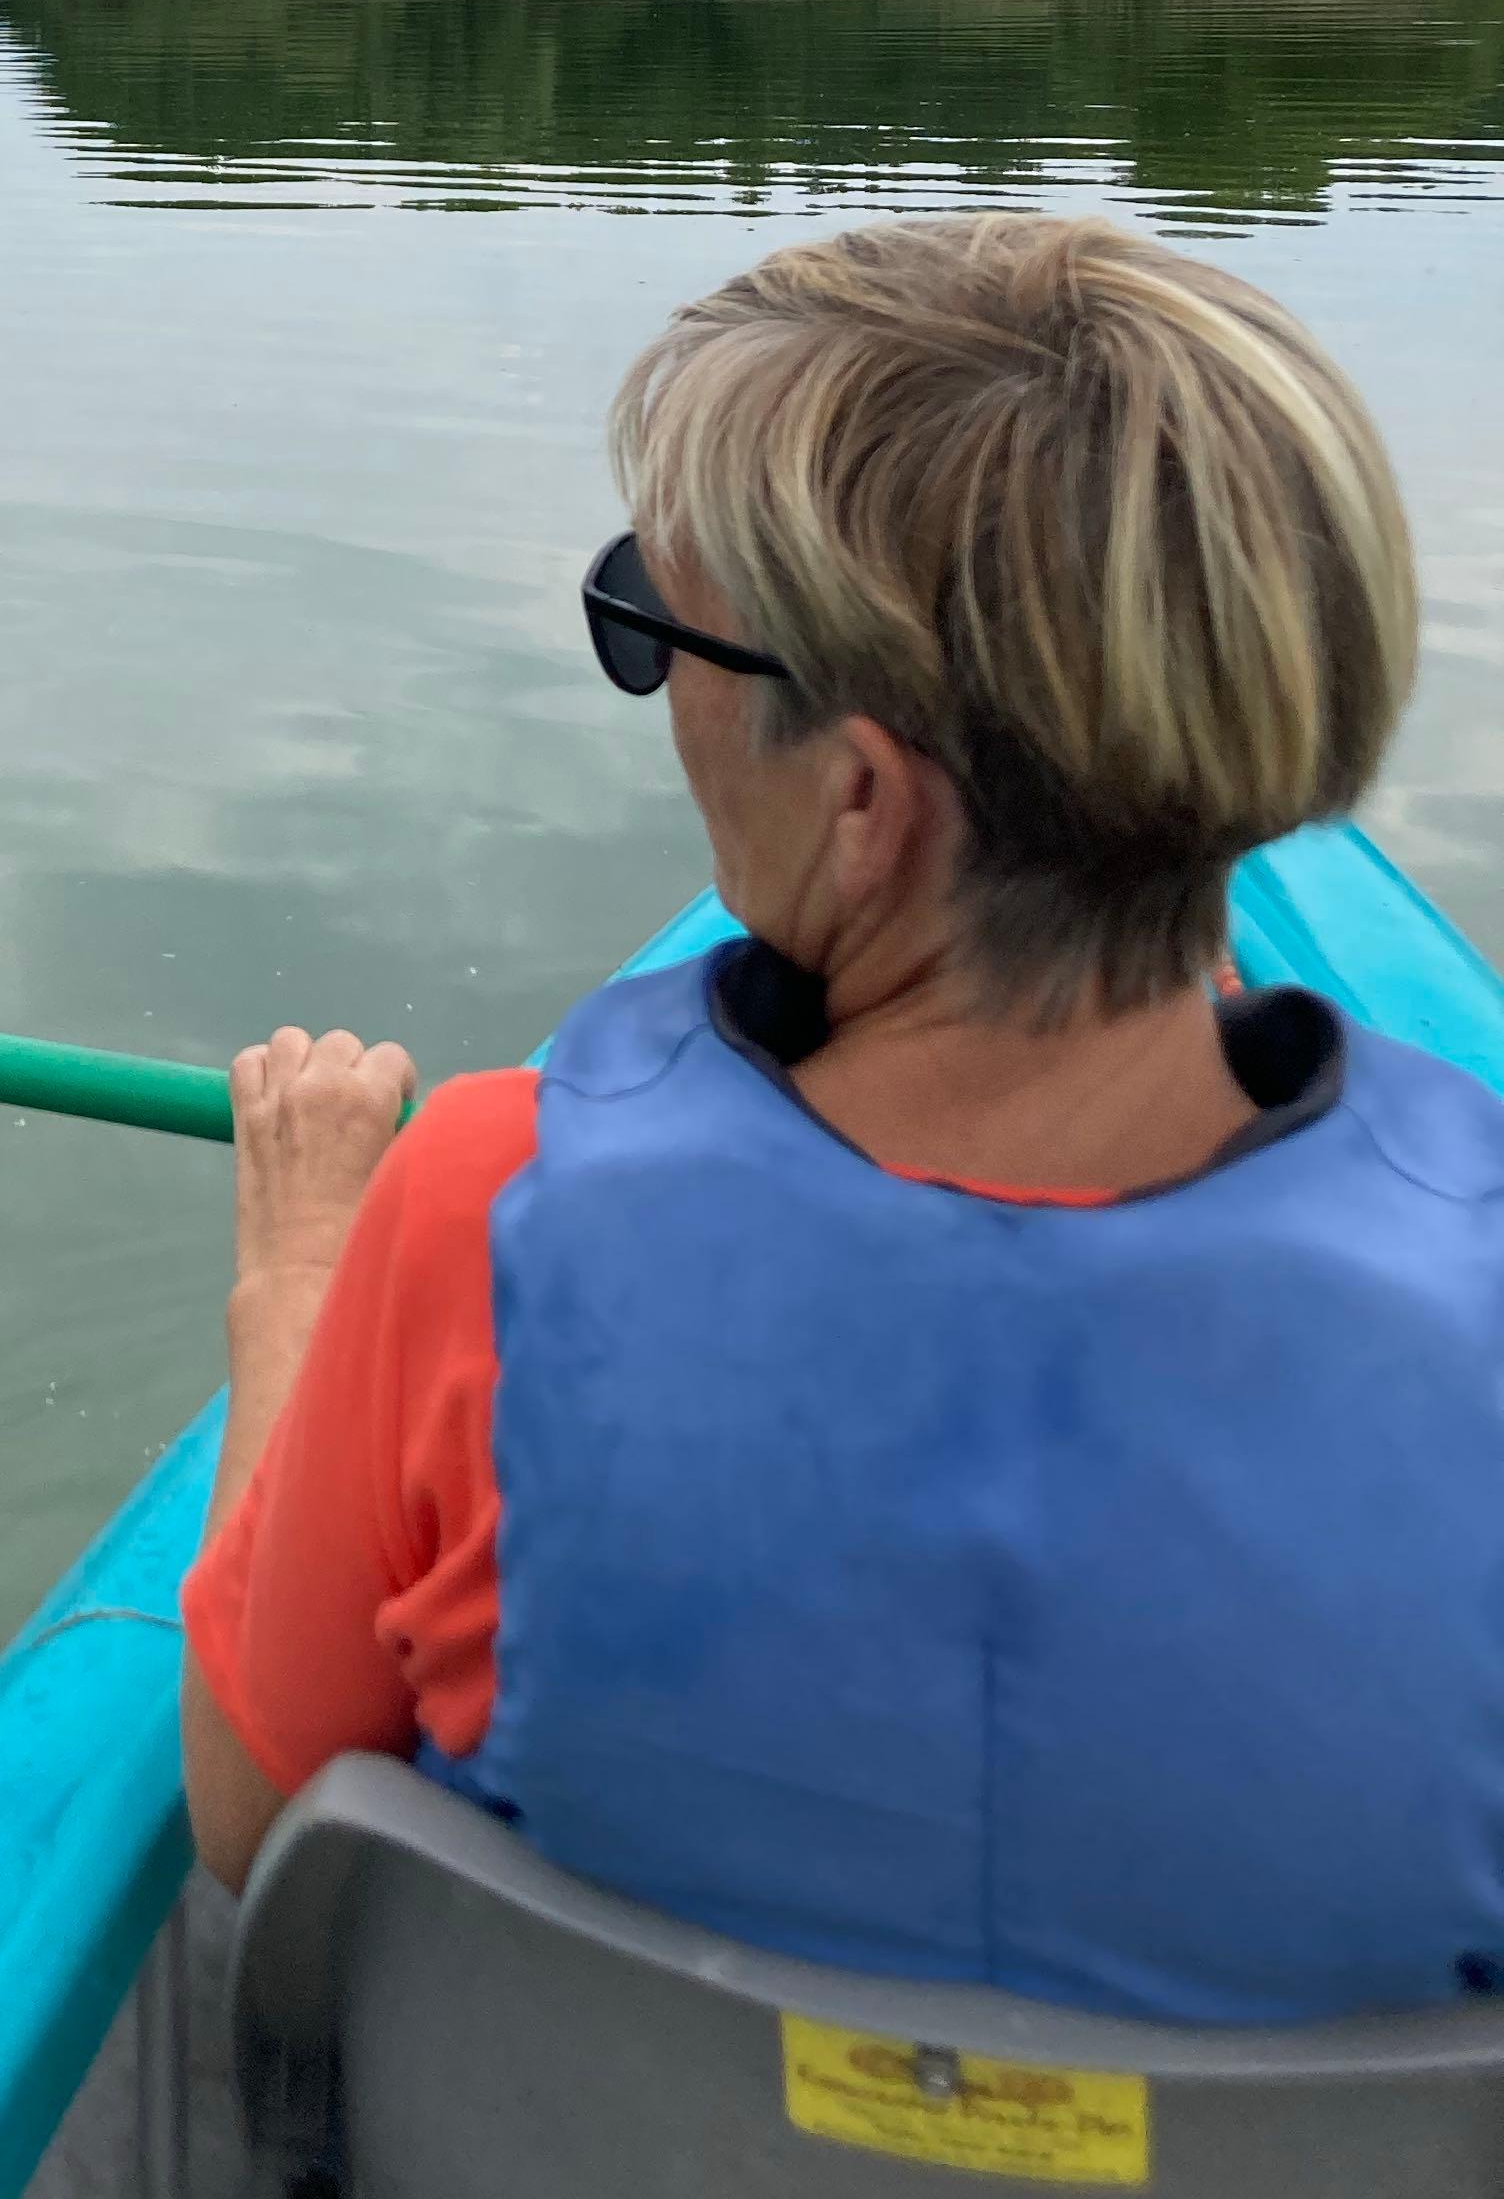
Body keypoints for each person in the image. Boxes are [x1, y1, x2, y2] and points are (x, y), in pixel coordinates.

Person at [179, 212, 1504, 2024]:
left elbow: (258, 1818)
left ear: (867, 799)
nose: (666, 714)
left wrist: (305, 1270)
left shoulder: (487, 1204)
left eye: (659, 640)